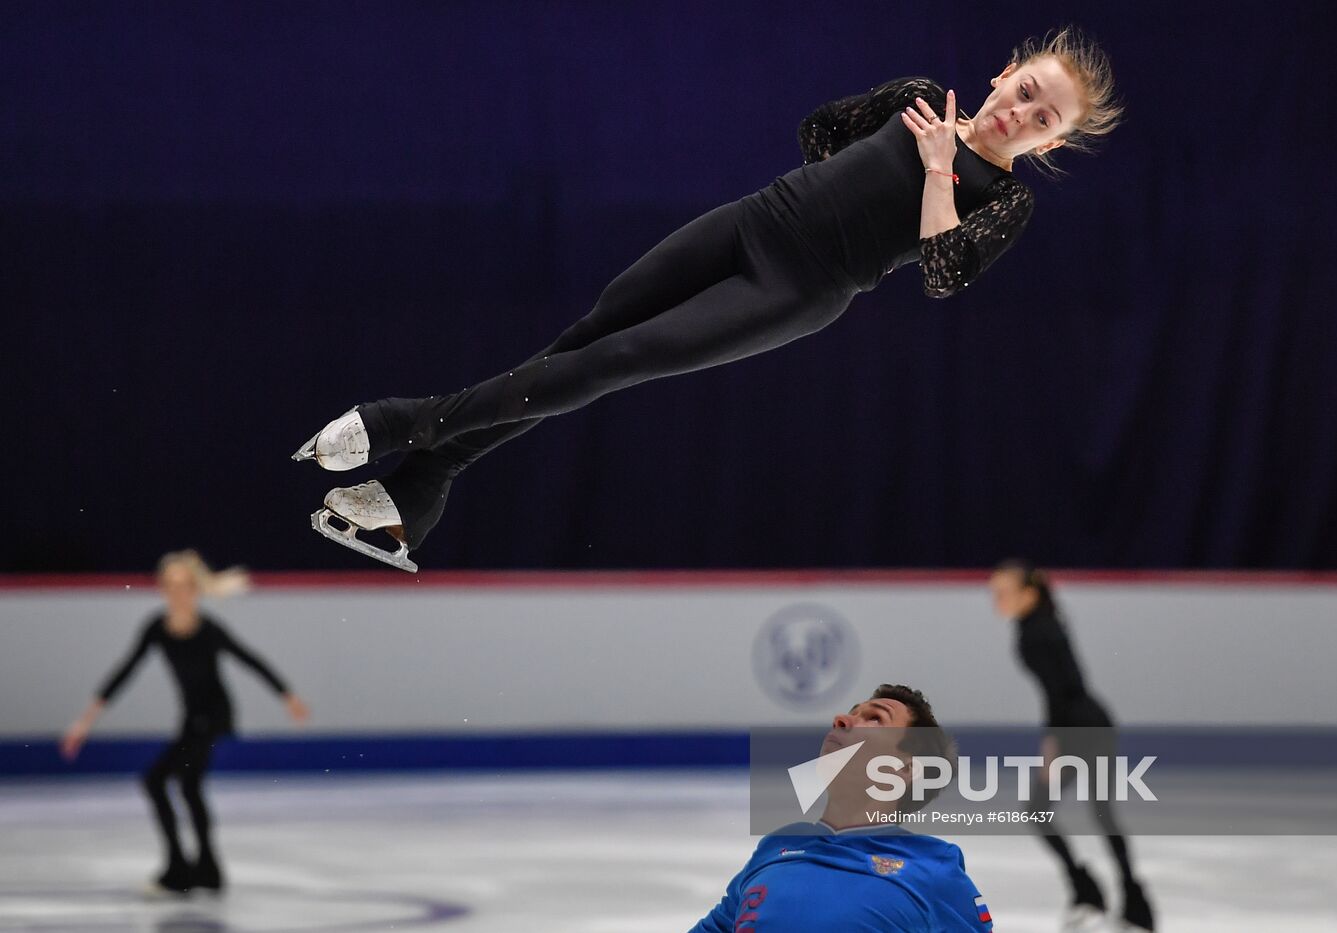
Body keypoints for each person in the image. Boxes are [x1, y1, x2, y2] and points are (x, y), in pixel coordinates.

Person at [292, 27, 1123, 570]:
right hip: (754, 220)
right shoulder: (915, 94)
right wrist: (828, 191)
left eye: (1043, 118)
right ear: (1005, 72)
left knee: (616, 361)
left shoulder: (1005, 197)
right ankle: (418, 492)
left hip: (795, 288)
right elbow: (822, 131)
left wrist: (941, 168)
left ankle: (409, 420)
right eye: (1025, 91)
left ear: (1054, 142)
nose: (1021, 114)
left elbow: (942, 272)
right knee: (585, 337)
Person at [60, 550, 309, 895]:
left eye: (184, 586)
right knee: (188, 787)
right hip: (192, 718)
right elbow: (124, 672)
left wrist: (288, 696)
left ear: (195, 590)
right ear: (162, 589)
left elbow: (250, 659)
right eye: (170, 585)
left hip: (215, 716)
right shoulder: (157, 628)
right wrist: (84, 722)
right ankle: (206, 870)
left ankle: (180, 870)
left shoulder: (207, 630)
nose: (177, 592)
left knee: (156, 780)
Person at [691, 683, 993, 931]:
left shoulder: (933, 869)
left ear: (903, 769)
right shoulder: (779, 845)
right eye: (852, 713)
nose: (841, 719)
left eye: (875, 719)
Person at [988, 560, 1154, 931]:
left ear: (1028, 593)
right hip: (1085, 722)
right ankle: (1107, 895)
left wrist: (1054, 742)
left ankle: (1111, 896)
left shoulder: (1038, 632)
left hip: (1082, 726)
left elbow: (1063, 690)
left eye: (1002, 593)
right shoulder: (1038, 623)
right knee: (1084, 811)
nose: (995, 601)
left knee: (1058, 810)